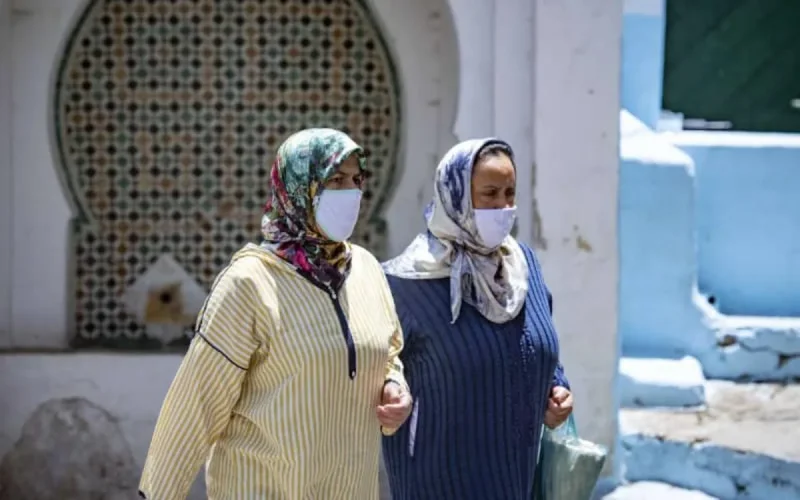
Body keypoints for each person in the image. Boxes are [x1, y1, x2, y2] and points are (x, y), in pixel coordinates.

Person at [138, 128, 413, 500]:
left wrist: (395, 387)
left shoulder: (366, 269)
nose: (352, 192)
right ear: (299, 186)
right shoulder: (249, 283)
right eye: (336, 179)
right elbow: (197, 402)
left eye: (356, 179)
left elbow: (389, 349)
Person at [381, 138, 573, 500]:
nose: (503, 206)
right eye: (489, 193)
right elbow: (379, 367)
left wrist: (556, 388)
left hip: (516, 481)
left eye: (510, 193)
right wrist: (390, 393)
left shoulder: (522, 266)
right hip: (439, 484)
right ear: (456, 196)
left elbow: (538, 343)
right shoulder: (405, 282)